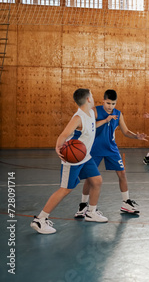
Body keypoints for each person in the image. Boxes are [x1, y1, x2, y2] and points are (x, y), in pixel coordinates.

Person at [31, 89, 107, 234]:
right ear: (88, 99)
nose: (94, 97)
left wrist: (105, 121)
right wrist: (58, 146)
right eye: (92, 95)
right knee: (65, 189)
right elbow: (64, 134)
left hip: (85, 157)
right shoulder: (77, 118)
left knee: (97, 181)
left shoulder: (91, 113)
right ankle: (40, 220)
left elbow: (92, 127)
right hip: (73, 159)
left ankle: (91, 212)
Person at [74, 90, 148, 218]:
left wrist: (136, 136)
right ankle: (83, 205)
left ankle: (126, 203)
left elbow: (125, 131)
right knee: (90, 178)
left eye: (113, 103)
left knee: (122, 173)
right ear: (103, 101)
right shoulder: (95, 111)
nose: (110, 106)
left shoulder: (118, 114)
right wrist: (106, 120)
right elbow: (90, 126)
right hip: (95, 148)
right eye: (108, 103)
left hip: (111, 149)